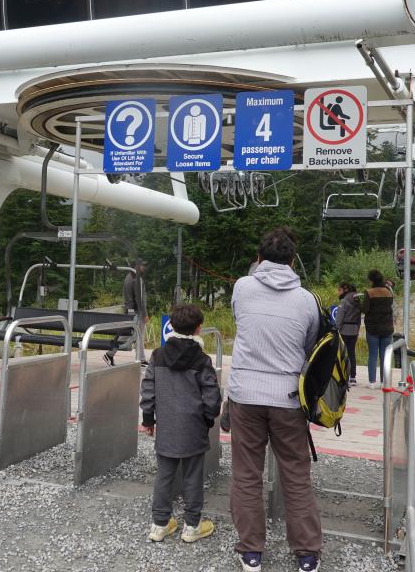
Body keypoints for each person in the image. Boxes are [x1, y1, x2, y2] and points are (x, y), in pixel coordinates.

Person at [227, 228, 322, 572]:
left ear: (258, 258)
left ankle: (251, 551)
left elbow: (241, 320)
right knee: (296, 475)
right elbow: (309, 345)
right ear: (293, 261)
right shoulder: (308, 300)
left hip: (245, 395)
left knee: (246, 473)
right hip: (287, 398)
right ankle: (307, 554)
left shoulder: (242, 287)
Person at [140, 303, 221, 545]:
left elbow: (148, 390)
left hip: (166, 426)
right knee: (192, 477)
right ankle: (192, 527)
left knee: (164, 475)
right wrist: (208, 417)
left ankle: (159, 525)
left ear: (171, 327)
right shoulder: (202, 359)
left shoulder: (158, 355)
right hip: (193, 427)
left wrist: (148, 419)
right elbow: (211, 395)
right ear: (198, 329)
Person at [104, 258, 148, 367]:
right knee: (139, 335)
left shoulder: (128, 277)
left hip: (129, 311)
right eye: (142, 265)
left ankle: (109, 354)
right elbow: (139, 299)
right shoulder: (136, 279)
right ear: (136, 267)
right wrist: (145, 314)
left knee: (126, 335)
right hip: (137, 312)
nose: (144, 267)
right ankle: (141, 360)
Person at [360, 269, 394, 389]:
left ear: (371, 280)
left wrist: (357, 303)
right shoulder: (389, 292)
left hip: (373, 328)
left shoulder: (369, 292)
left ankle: (372, 382)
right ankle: (384, 382)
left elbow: (364, 309)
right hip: (387, 328)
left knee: (373, 355)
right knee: (384, 356)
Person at [336, 282, 361, 387]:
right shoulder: (357, 300)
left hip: (344, 330)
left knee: (342, 353)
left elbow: (339, 317)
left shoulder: (344, 301)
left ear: (345, 289)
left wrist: (336, 328)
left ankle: (342, 375)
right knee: (351, 353)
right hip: (354, 330)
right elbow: (359, 318)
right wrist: (357, 328)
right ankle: (353, 377)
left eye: (339, 290)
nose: (338, 292)